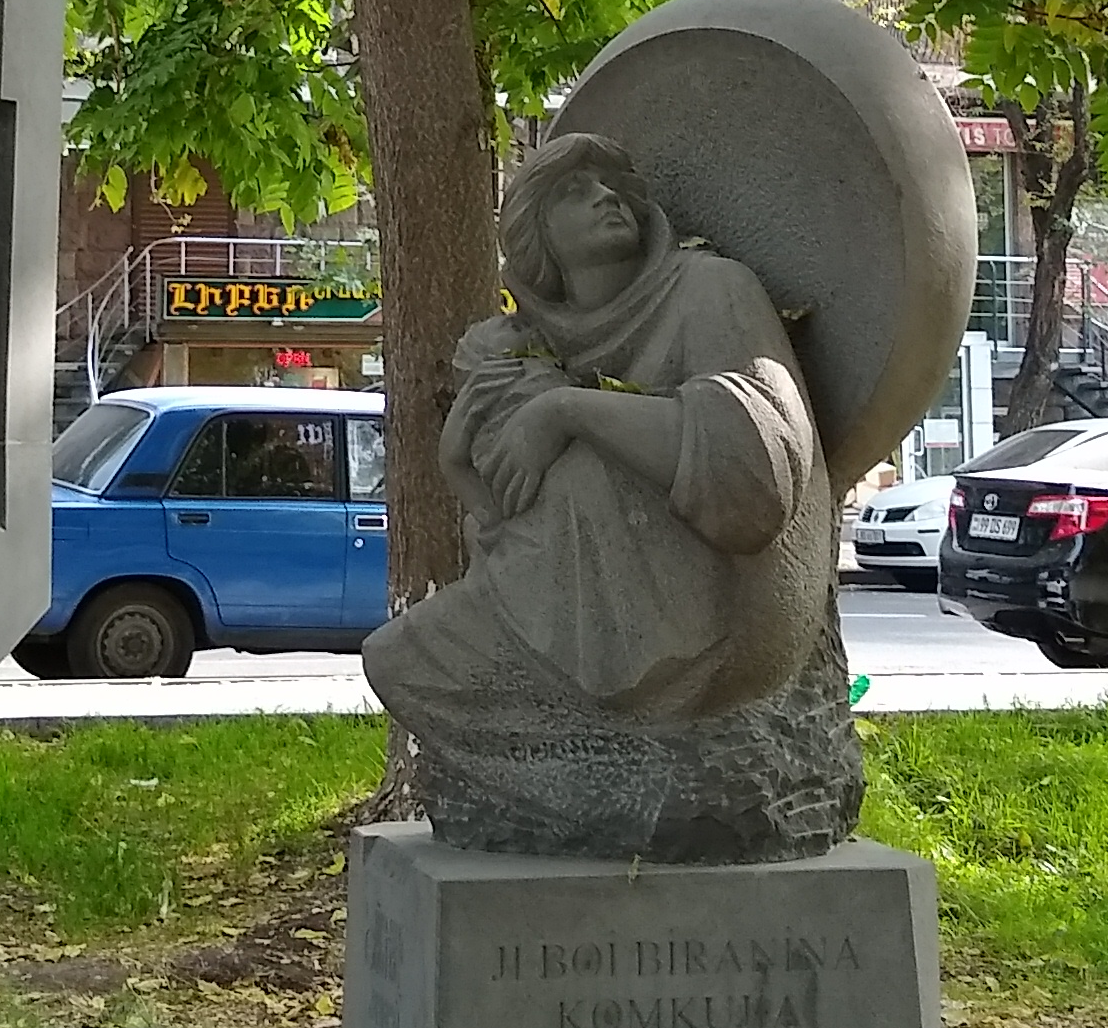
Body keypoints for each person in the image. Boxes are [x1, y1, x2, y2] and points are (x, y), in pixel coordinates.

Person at [363, 133, 855, 858]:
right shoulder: (522, 347)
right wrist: (475, 469)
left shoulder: (708, 290)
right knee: (398, 662)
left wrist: (569, 411)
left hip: (719, 623)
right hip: (550, 605)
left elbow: (755, 479)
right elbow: (494, 502)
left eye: (610, 184)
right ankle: (616, 791)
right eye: (574, 191)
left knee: (587, 472)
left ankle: (652, 782)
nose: (605, 197)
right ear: (536, 239)